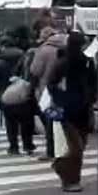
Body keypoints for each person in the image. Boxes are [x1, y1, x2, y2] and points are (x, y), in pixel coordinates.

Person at [47, 31, 96, 192]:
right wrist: (62, 98)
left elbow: (94, 82)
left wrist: (91, 96)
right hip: (69, 110)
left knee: (79, 147)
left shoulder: (87, 63)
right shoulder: (64, 63)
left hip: (83, 108)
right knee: (76, 147)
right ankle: (68, 178)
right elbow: (51, 83)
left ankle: (71, 177)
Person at [0, 35, 35, 156]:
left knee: (10, 122)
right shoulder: (24, 57)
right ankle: (28, 145)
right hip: (23, 92)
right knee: (26, 120)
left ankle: (14, 146)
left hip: (6, 94)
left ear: (3, 46)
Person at [31, 26, 68, 161]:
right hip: (64, 89)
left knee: (50, 119)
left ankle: (51, 151)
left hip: (47, 89)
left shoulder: (43, 50)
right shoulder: (65, 46)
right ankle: (63, 148)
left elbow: (35, 70)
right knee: (62, 122)